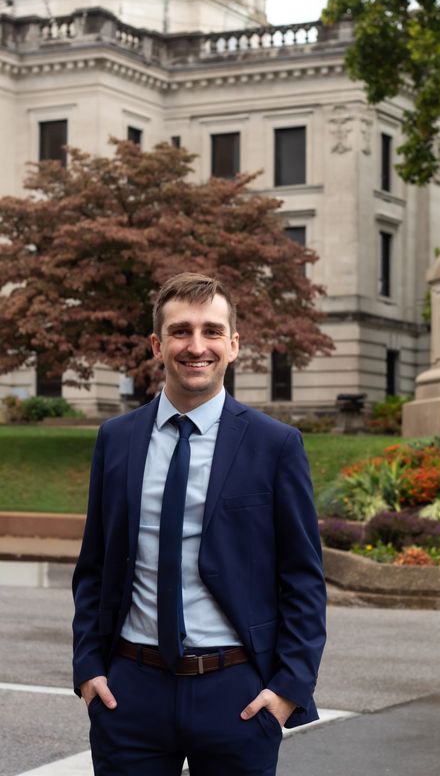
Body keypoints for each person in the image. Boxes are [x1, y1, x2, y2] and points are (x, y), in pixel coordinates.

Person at [72, 272, 327, 776]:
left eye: (211, 331)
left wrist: (285, 690)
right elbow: (94, 565)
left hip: (236, 694)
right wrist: (88, 670)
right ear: (157, 344)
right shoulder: (117, 439)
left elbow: (303, 578)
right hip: (130, 693)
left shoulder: (275, 445)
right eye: (180, 331)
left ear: (233, 345)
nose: (196, 346)